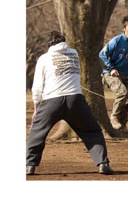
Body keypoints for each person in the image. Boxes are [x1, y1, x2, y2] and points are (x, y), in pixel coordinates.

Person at [26, 31, 112, 175]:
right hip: (75, 100)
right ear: (63, 41)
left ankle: (30, 165)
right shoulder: (74, 53)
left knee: (36, 132)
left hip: (51, 101)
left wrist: (36, 107)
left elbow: (37, 87)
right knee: (92, 131)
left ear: (49, 44)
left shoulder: (44, 58)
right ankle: (103, 163)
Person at [99, 15, 128, 134]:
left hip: (126, 73)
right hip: (111, 73)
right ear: (124, 28)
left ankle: (122, 122)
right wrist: (111, 68)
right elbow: (101, 55)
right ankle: (114, 117)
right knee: (123, 93)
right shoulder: (116, 41)